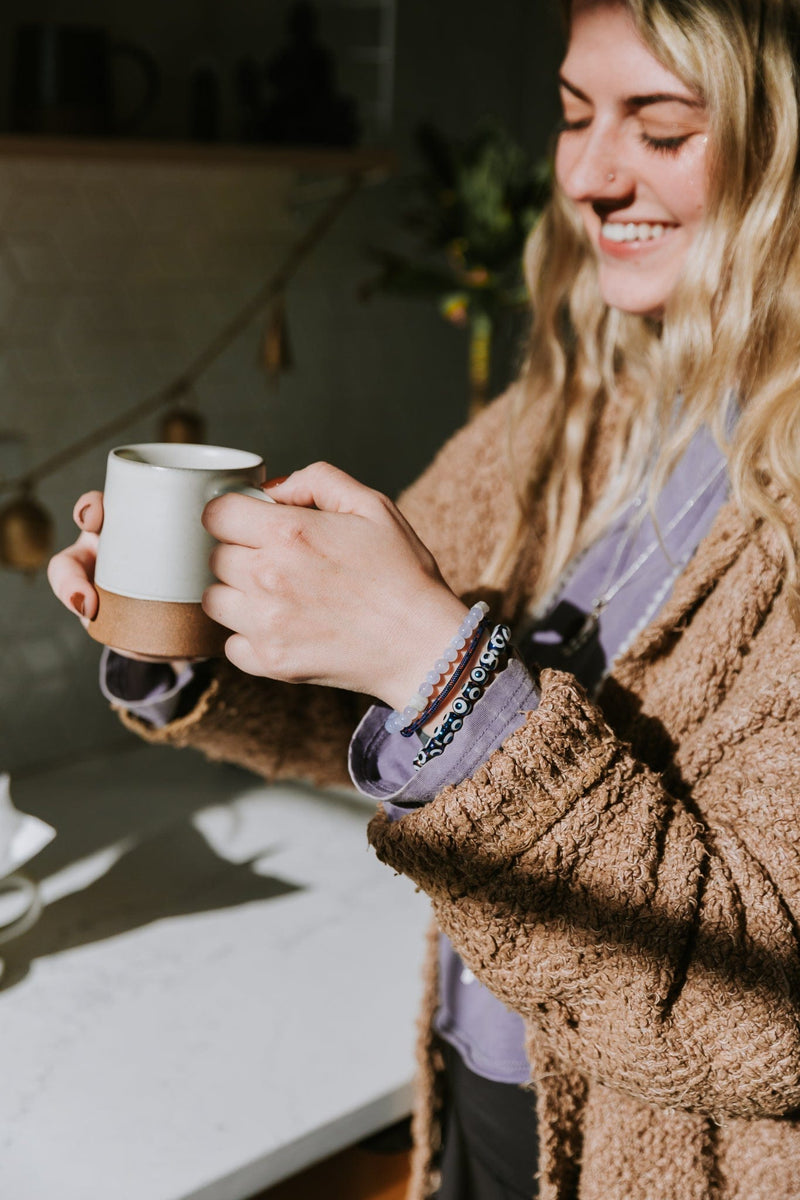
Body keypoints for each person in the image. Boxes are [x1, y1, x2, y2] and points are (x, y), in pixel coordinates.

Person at [47, 0, 800, 1197]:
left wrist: (432, 664)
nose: (591, 176)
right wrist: (196, 636)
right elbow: (389, 713)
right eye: (571, 115)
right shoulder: (564, 415)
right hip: (482, 1094)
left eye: (660, 130)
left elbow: (761, 1011)